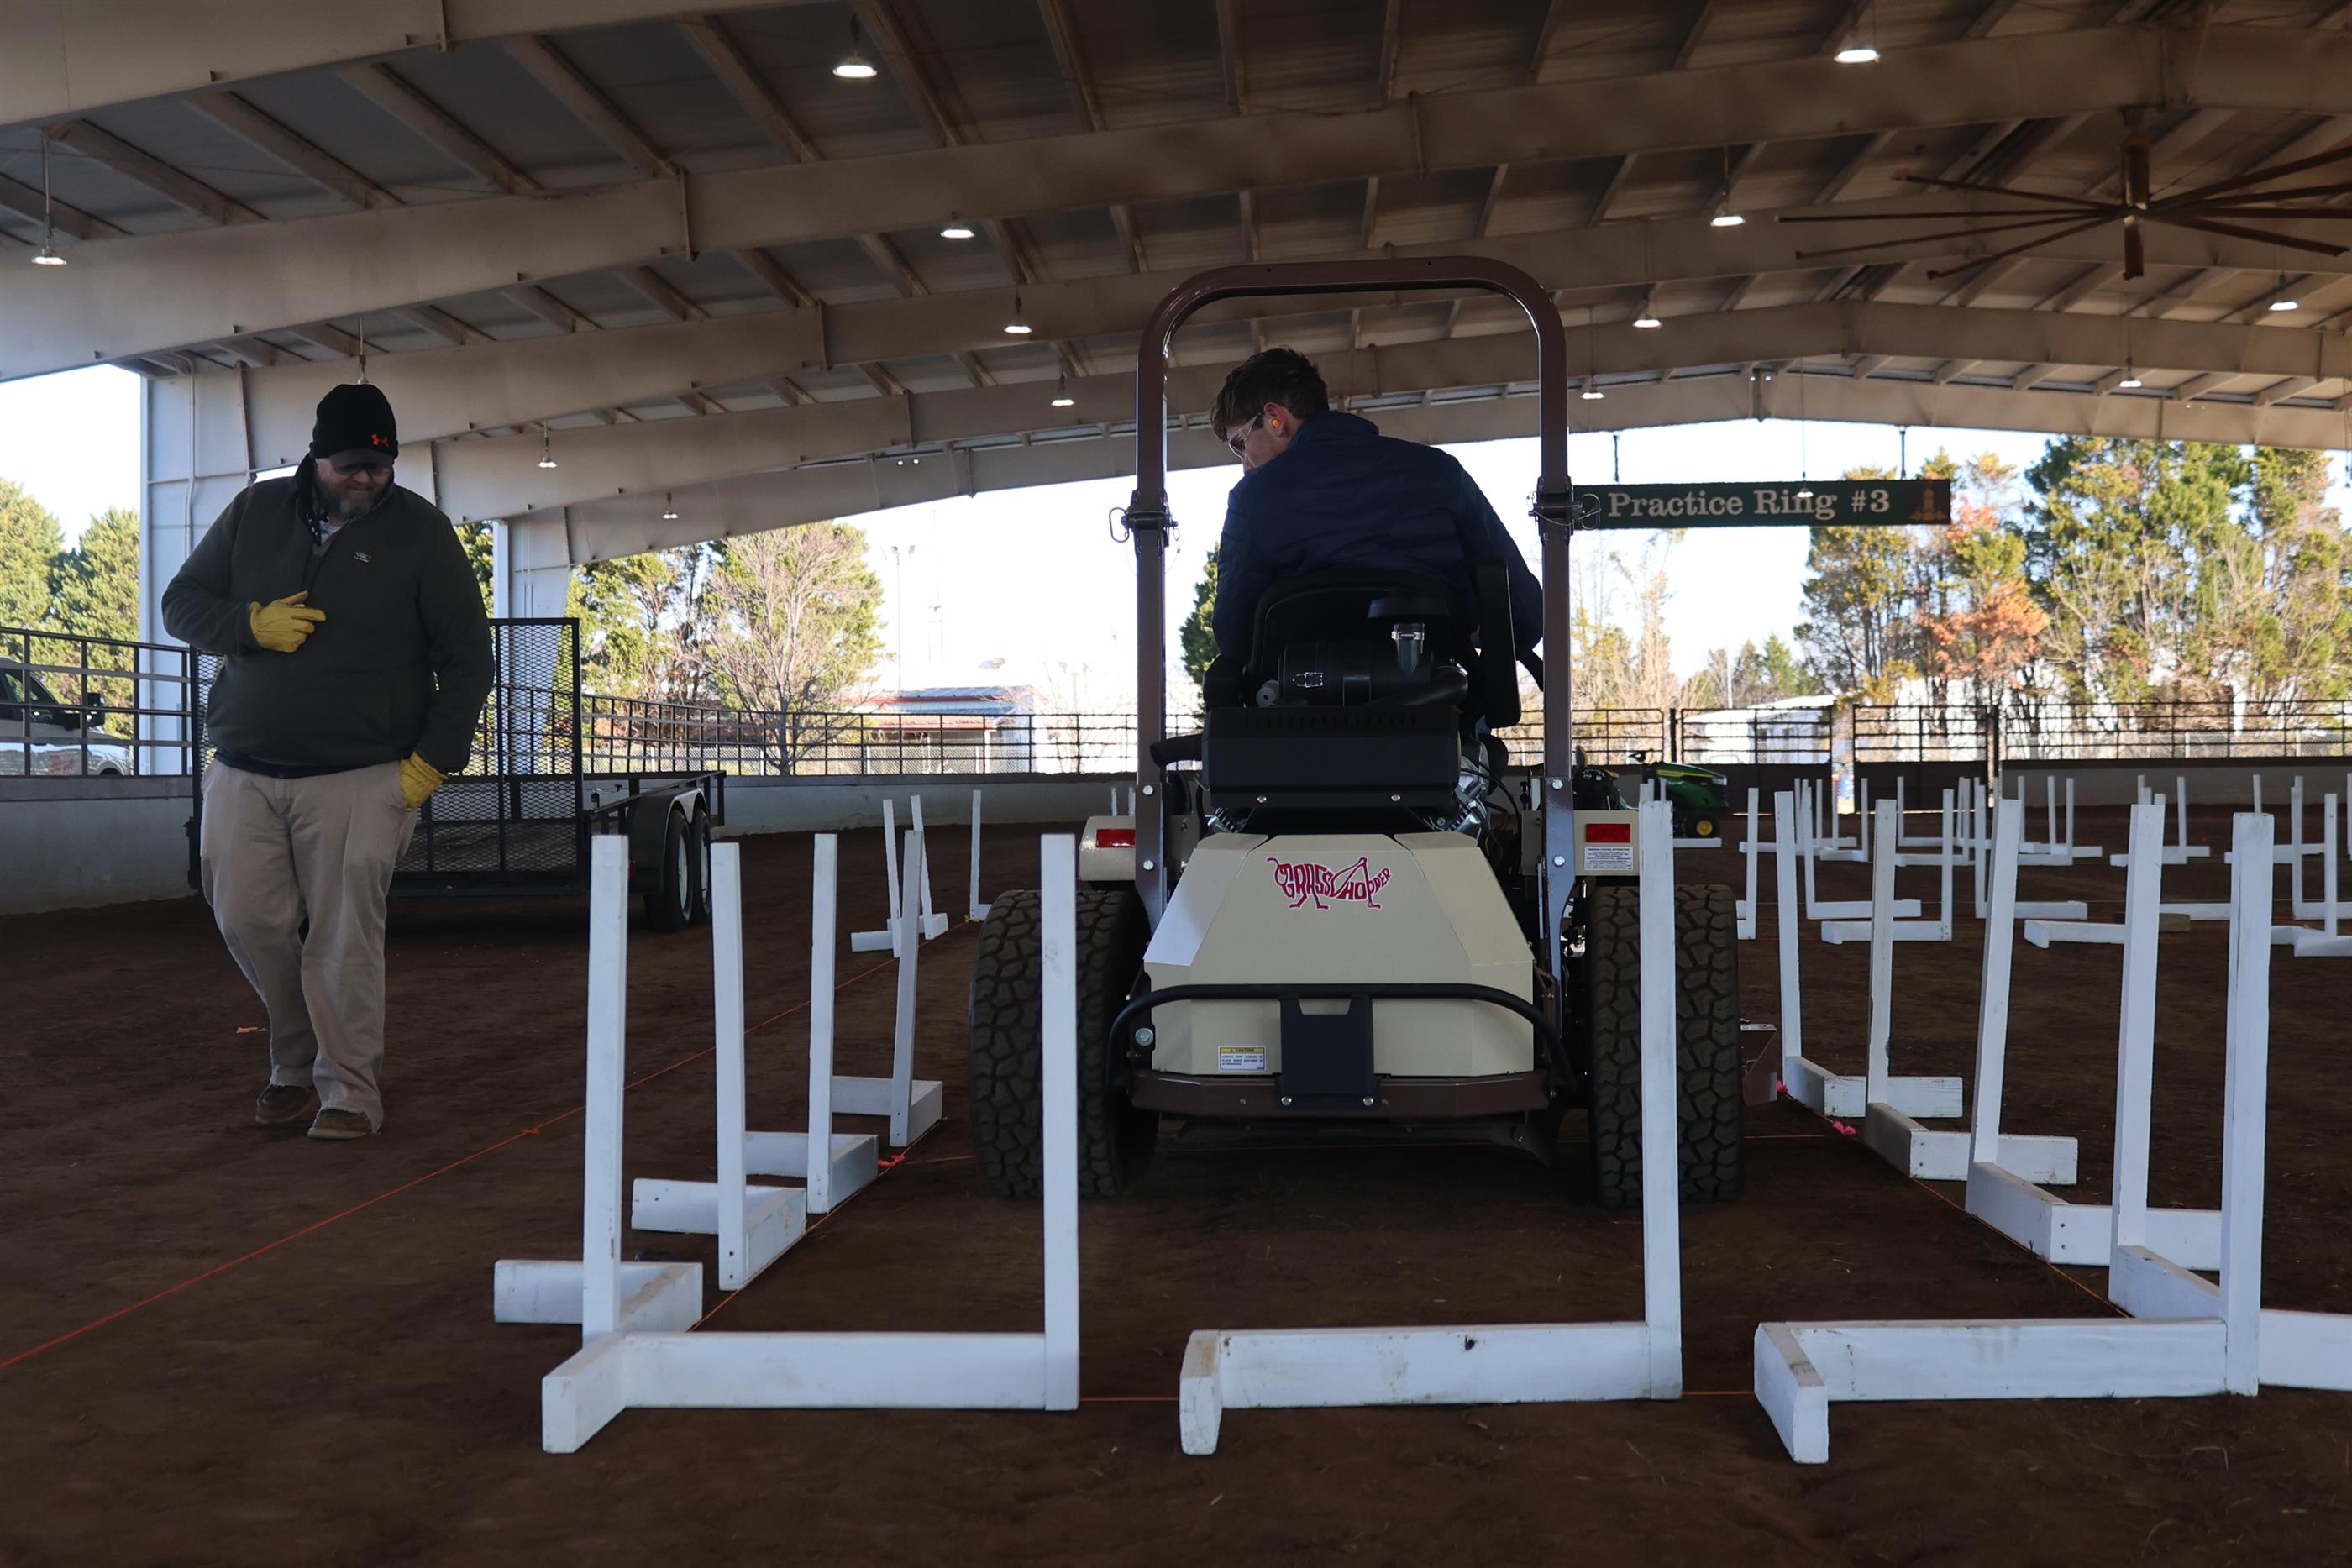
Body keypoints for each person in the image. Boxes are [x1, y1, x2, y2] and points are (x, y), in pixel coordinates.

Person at [164, 382, 494, 1141]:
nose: (366, 477)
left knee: (344, 941)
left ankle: (348, 1091)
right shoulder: (254, 511)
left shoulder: (423, 533)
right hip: (244, 766)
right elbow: (181, 602)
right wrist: (248, 624)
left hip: (363, 775)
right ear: (315, 457)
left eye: (380, 464)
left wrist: (430, 764)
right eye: (350, 463)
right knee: (245, 916)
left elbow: (469, 660)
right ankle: (295, 1054)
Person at [1206, 347, 1543, 678]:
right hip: (1436, 698)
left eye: (1241, 444)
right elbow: (1523, 614)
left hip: (1302, 702)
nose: (1246, 465)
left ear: (1275, 419)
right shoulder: (1440, 472)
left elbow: (1236, 637)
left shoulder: (1251, 499)